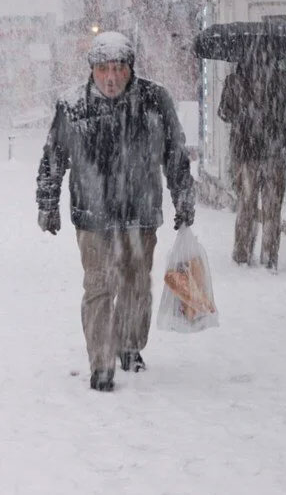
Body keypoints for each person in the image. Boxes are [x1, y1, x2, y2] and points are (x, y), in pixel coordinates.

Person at [36, 31, 195, 392]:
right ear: (91, 70)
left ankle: (128, 345)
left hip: (140, 212)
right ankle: (102, 362)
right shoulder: (72, 105)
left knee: (136, 285)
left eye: (119, 68)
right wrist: (48, 202)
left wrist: (183, 197)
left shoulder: (155, 101)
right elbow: (53, 158)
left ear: (131, 69)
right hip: (93, 215)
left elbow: (176, 154)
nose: (111, 77)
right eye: (104, 69)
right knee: (99, 287)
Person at [218, 49, 286, 271]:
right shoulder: (282, 79)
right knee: (272, 209)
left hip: (246, 153)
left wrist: (244, 117)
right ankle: (269, 257)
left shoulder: (235, 80)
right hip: (275, 152)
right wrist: (271, 117)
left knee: (246, 206)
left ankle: (242, 254)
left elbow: (223, 112)